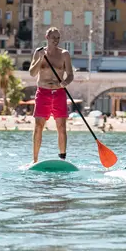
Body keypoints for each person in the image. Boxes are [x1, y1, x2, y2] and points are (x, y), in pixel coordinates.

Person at [29, 26, 74, 164]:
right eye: (53, 37)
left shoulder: (64, 54)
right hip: (43, 92)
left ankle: (62, 158)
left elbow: (70, 74)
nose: (56, 40)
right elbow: (32, 72)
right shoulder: (38, 53)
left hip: (59, 92)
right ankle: (35, 160)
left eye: (58, 38)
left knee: (61, 126)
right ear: (46, 38)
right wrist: (40, 59)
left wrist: (65, 82)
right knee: (38, 126)